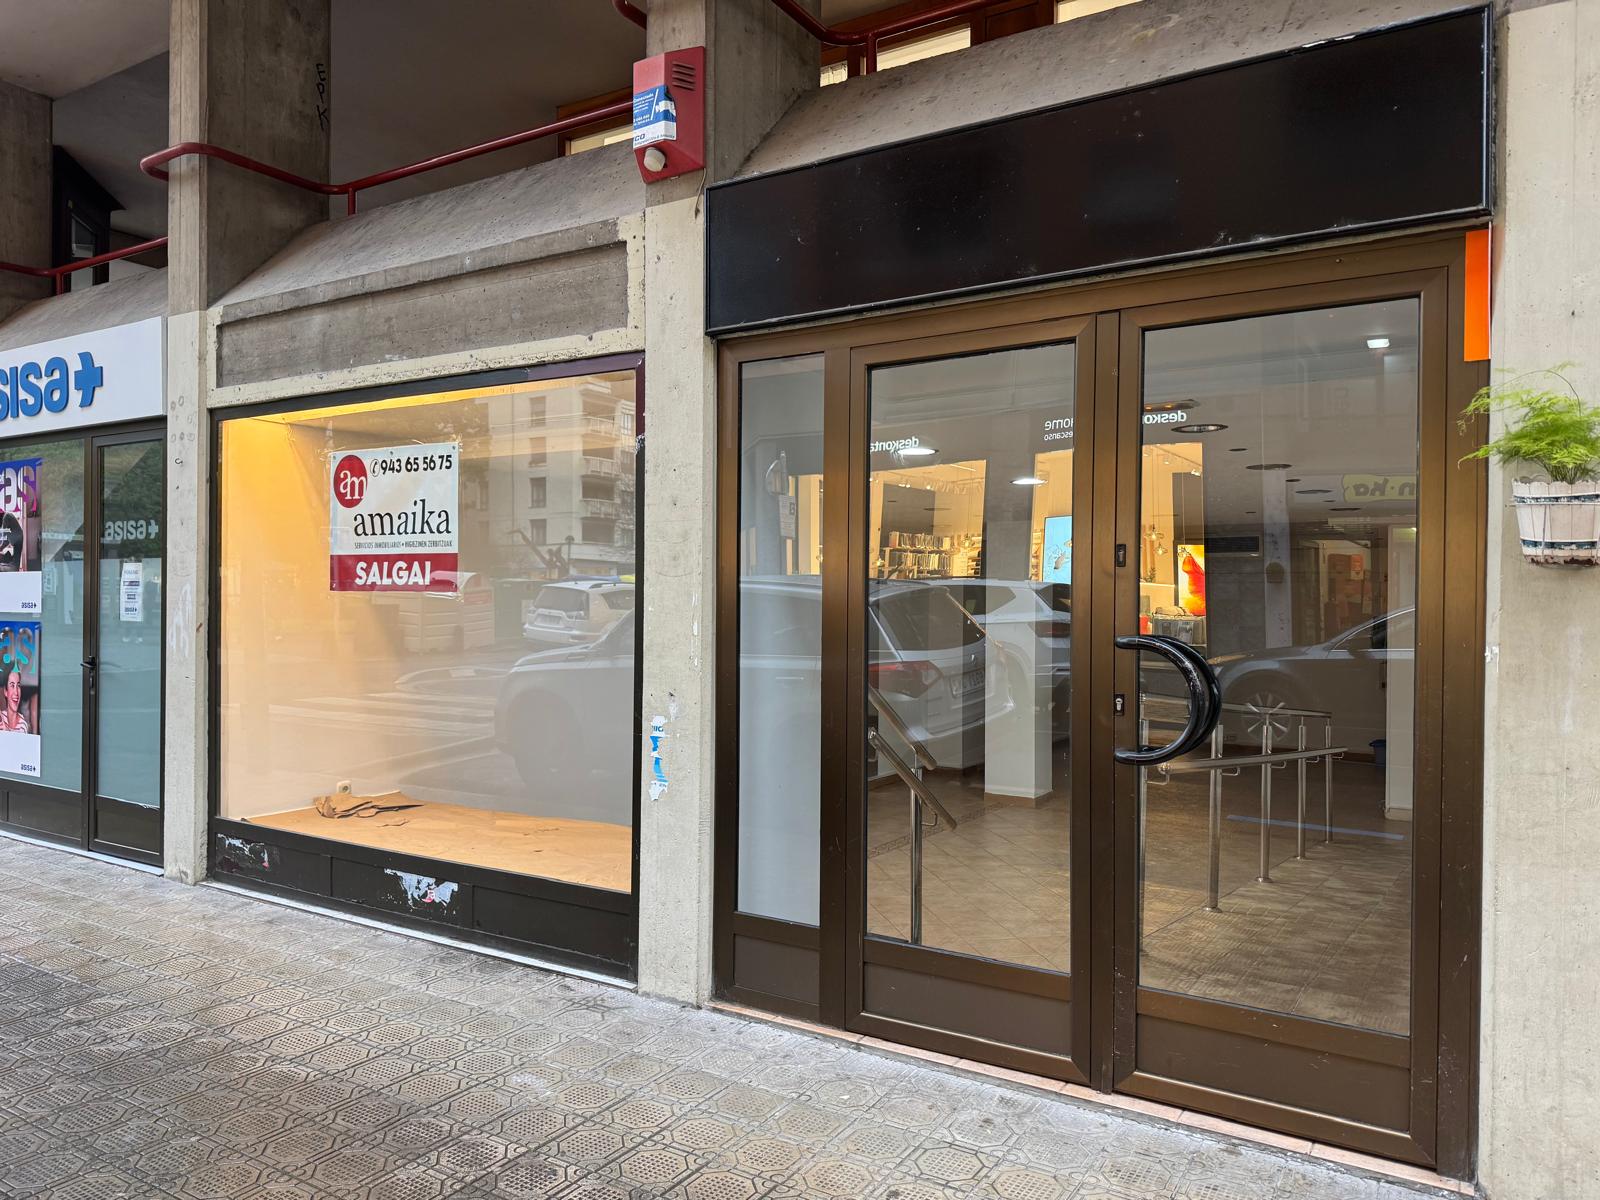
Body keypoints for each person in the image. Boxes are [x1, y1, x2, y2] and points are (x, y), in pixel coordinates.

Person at [0, 664, 29, 734]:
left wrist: (6, 732)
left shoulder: (23, 725)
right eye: (12, 685)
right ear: (5, 691)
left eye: (18, 685)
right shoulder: (1, 719)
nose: (16, 692)